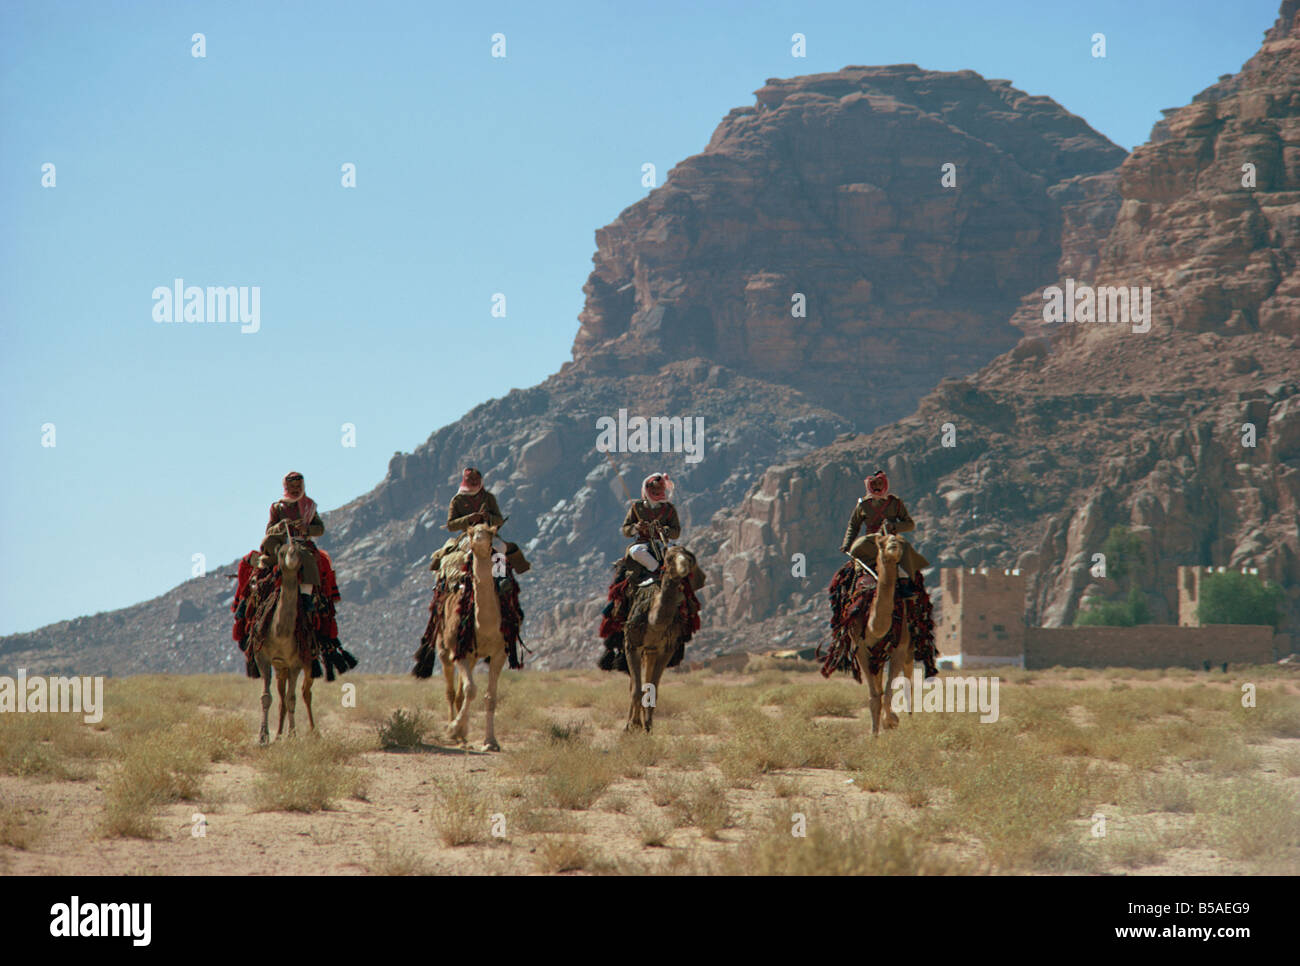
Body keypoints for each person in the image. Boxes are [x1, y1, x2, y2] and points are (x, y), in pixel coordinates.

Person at [840, 469, 938, 677]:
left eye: (879, 485)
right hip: (869, 546)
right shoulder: (863, 506)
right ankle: (847, 629)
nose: (876, 489)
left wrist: (894, 526)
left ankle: (911, 610)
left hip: (891, 544)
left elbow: (910, 524)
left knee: (906, 574)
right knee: (850, 579)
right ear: (869, 487)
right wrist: (847, 544)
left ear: (884, 486)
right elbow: (853, 525)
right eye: (873, 486)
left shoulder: (895, 503)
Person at [430, 467, 529, 574]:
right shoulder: (457, 500)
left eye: (477, 479)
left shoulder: (488, 497)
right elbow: (450, 525)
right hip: (468, 536)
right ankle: (466, 579)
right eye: (470, 479)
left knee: (500, 547)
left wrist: (488, 517)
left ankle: (500, 576)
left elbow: (499, 520)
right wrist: (468, 519)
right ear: (465, 480)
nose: (474, 481)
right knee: (467, 554)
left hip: (489, 534)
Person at [621, 473, 681, 575]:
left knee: (679, 557)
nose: (658, 493)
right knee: (635, 551)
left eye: (660, 490)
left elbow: (676, 532)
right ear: (647, 490)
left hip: (663, 544)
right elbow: (625, 530)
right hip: (644, 543)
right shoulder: (637, 507)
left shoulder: (669, 509)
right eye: (654, 491)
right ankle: (657, 569)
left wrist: (665, 530)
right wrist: (636, 528)